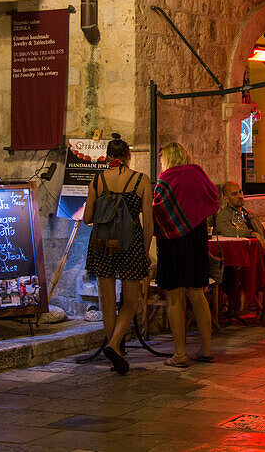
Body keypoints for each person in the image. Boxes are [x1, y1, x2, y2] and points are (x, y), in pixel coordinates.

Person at [82, 134, 153, 375]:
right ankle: (114, 345)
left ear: (110, 157)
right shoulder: (141, 180)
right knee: (131, 302)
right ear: (128, 157)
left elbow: (87, 218)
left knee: (108, 302)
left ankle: (116, 354)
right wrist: (144, 251)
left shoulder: (98, 179)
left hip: (102, 245)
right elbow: (149, 221)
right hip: (130, 244)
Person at [152, 142, 217, 367]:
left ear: (167, 158)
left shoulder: (166, 178)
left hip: (173, 243)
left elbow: (158, 209)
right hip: (197, 240)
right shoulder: (198, 174)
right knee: (197, 293)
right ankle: (206, 348)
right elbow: (213, 197)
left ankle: (180, 354)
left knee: (174, 296)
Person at [212, 181, 265, 249]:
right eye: (234, 194)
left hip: (263, 252)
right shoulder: (224, 216)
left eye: (240, 192)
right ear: (226, 199)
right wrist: (252, 234)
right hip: (247, 254)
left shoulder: (252, 215)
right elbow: (227, 231)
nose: (239, 196)